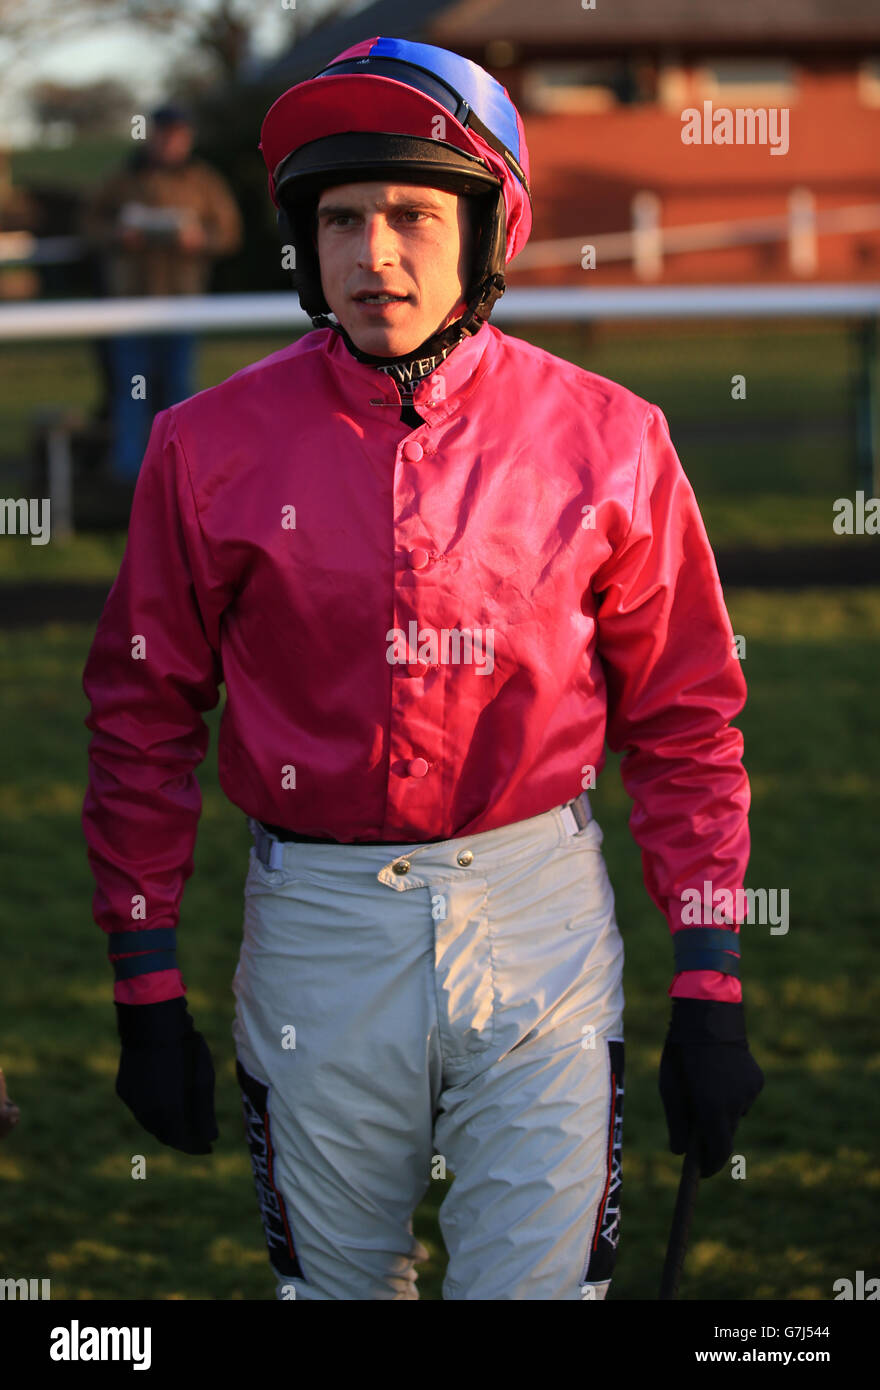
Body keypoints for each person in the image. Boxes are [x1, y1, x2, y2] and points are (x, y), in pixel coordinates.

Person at [81, 36, 763, 1301]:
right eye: (341, 218)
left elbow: (684, 720)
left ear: (490, 227)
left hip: (540, 916)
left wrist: (710, 980)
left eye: (410, 213)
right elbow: (140, 716)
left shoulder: (616, 440)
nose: (372, 254)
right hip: (315, 934)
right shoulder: (201, 445)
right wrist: (145, 982)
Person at [82, 103, 243, 482]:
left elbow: (230, 233)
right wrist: (118, 236)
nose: (170, 142)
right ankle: (128, 473)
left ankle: (178, 469)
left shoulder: (204, 181)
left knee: (179, 387)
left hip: (182, 304)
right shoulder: (121, 178)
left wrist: (199, 239)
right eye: (163, 134)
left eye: (178, 135)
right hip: (129, 304)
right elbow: (89, 224)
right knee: (130, 388)